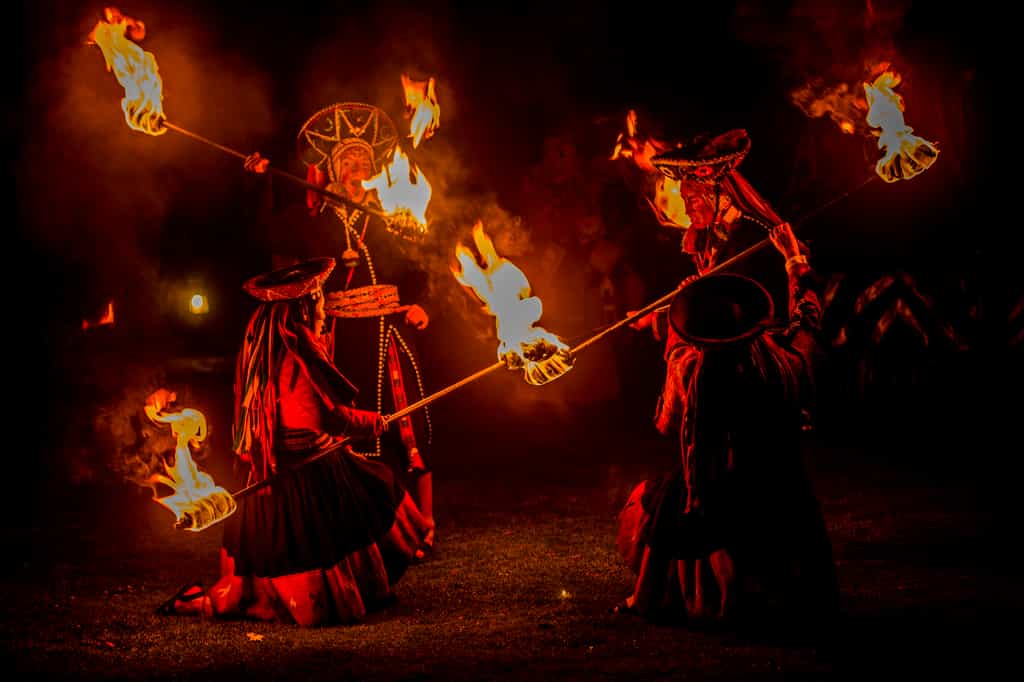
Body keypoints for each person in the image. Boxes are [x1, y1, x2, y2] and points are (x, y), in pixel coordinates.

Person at [159, 258, 434, 626]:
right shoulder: (295, 352)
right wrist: (374, 423)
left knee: (374, 484)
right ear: (303, 307)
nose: (324, 307)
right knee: (358, 504)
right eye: (319, 300)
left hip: (305, 461)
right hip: (296, 473)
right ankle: (214, 603)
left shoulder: (276, 341)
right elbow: (325, 417)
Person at [614, 221, 839, 634]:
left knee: (662, 499)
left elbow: (676, 422)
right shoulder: (781, 356)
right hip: (788, 502)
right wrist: (794, 262)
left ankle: (653, 597)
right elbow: (807, 319)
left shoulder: (699, 372)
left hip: (731, 508)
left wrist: (659, 321)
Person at [245, 102, 435, 547]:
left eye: (365, 160)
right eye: (347, 159)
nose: (356, 166)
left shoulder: (394, 215)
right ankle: (367, 529)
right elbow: (269, 238)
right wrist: (264, 184)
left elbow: (424, 266)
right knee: (349, 435)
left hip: (389, 334)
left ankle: (423, 524)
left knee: (407, 430)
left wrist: (421, 304)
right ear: (331, 169)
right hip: (339, 340)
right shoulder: (314, 221)